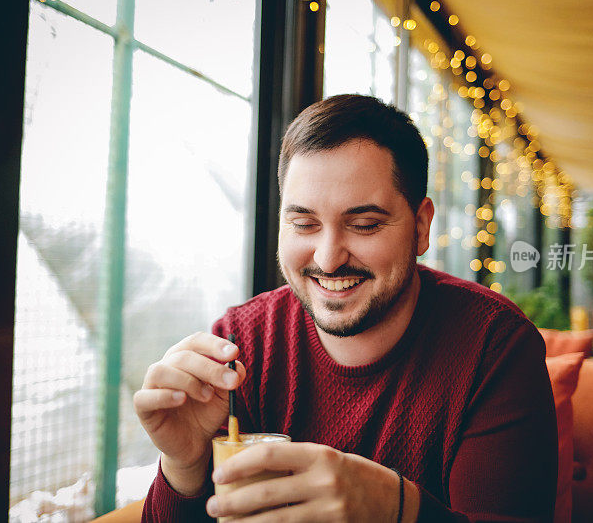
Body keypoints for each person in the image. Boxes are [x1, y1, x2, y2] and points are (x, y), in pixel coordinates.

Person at [136, 94, 557, 522]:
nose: (328, 257)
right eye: (304, 224)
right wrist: (184, 468)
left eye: (365, 225)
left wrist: (399, 508)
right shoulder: (240, 345)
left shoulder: (494, 345)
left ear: (421, 226)